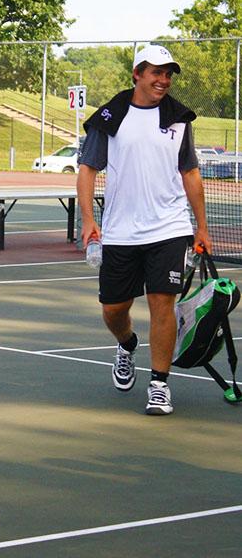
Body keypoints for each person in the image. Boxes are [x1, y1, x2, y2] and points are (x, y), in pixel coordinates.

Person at [77, 44, 211, 416]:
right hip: (120, 231)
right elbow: (87, 170)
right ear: (137, 74)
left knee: (161, 304)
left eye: (168, 74)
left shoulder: (178, 118)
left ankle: (159, 385)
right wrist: (89, 221)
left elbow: (190, 173)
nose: (163, 80)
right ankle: (126, 343)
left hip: (169, 227)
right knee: (113, 309)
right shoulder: (111, 115)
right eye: (156, 72)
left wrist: (201, 226)